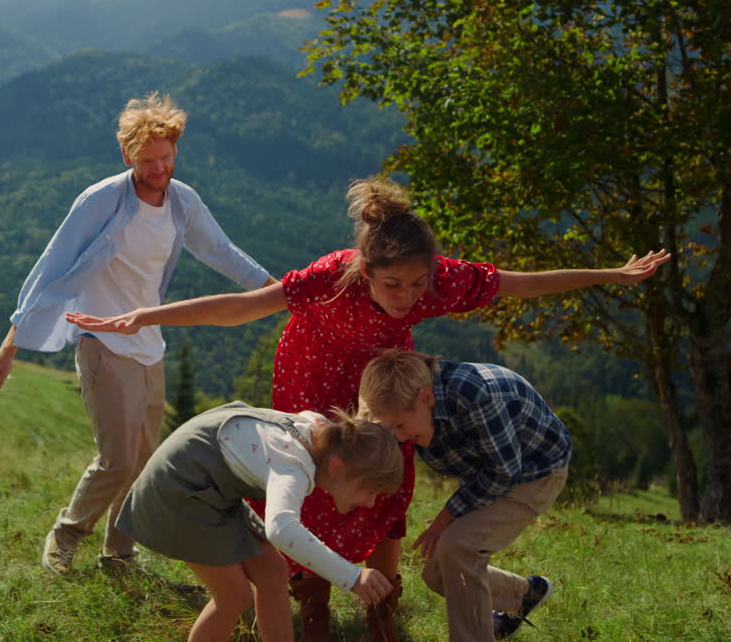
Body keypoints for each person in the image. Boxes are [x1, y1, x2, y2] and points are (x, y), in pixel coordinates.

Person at [67, 176, 668, 639]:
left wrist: (609, 275)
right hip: (309, 380)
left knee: (388, 484)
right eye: (393, 287)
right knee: (307, 485)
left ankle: (383, 605)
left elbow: (515, 281)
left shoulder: (435, 280)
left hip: (379, 386)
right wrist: (145, 315)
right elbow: (243, 305)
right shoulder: (332, 276)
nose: (408, 298)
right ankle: (312, 603)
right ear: (364, 270)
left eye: (417, 285)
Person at [0, 91, 277, 575]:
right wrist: (11, 343)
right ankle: (67, 533)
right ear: (126, 155)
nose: (159, 169)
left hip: (149, 345)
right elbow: (51, 269)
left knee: (147, 461)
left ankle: (120, 553)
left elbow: (222, 252)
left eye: (167, 158)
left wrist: (278, 291)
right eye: (148, 160)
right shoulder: (102, 200)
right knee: (118, 459)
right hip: (102, 343)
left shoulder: (181, 200)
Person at [120, 400, 402, 642]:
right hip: (181, 491)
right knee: (233, 596)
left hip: (211, 486)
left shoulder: (321, 433)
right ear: (338, 467)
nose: (370, 502)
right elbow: (281, 529)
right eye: (370, 490)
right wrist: (350, 576)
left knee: (273, 572)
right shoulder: (293, 467)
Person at [360, 349, 570, 642]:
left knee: (458, 547)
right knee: (436, 572)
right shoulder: (412, 407)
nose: (398, 436)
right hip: (488, 474)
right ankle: (523, 594)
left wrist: (444, 520)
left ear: (425, 397)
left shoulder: (476, 396)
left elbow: (504, 473)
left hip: (534, 474)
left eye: (399, 425)